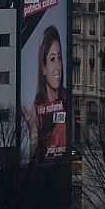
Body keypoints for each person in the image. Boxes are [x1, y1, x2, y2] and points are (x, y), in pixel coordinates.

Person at [30, 25, 70, 160]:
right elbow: (32, 158)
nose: (58, 66)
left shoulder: (67, 100)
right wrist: (33, 130)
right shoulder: (36, 109)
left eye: (59, 57)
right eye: (52, 59)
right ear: (43, 68)